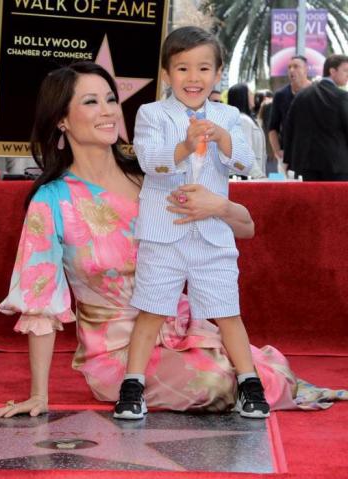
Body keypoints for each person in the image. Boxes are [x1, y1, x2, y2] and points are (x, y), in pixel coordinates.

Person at [0, 61, 346, 421]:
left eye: (111, 99)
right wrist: (39, 394)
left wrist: (220, 206)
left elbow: (246, 228)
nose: (108, 111)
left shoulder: (153, 176)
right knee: (214, 382)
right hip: (116, 351)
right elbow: (40, 300)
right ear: (61, 120)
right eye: (90, 102)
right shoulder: (52, 200)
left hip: (185, 329)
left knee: (257, 372)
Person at [114, 26, 270, 421]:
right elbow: (150, 161)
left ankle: (249, 383)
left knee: (227, 311)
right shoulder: (151, 114)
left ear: (218, 74)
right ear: (166, 73)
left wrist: (223, 139)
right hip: (163, 235)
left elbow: (246, 163)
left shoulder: (229, 116)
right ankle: (132, 385)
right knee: (150, 310)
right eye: (182, 68)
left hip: (212, 235)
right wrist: (185, 145)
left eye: (203, 68)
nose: (193, 77)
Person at [283, 54, 348, 181]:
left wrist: (288, 161)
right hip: (336, 166)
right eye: (345, 70)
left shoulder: (301, 96)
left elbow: (289, 128)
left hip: (305, 166)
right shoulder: (342, 97)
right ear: (332, 71)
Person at [268, 55, 311, 175]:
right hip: (288, 157)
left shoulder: (316, 92)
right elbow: (273, 127)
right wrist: (277, 151)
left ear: (306, 69)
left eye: (296, 66)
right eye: (289, 67)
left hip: (312, 156)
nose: (291, 70)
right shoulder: (280, 95)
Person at [227, 83, 267, 178]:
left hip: (248, 176)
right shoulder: (242, 120)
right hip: (246, 177)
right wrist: (258, 175)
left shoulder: (245, 119)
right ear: (243, 96)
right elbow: (244, 154)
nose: (253, 95)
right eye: (250, 93)